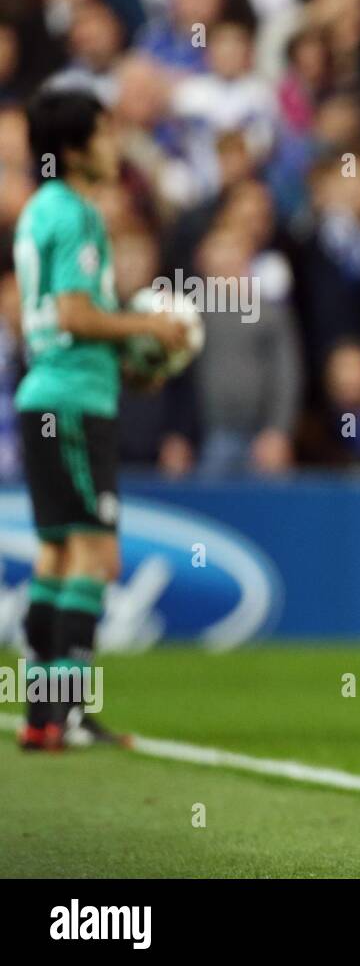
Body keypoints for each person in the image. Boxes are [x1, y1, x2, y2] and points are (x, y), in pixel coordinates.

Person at [14, 88, 186, 750]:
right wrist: (150, 324)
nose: (117, 148)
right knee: (94, 555)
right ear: (77, 148)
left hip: (46, 395)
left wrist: (130, 358)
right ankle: (69, 715)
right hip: (75, 404)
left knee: (57, 552)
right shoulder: (79, 215)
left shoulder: (38, 211)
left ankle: (41, 717)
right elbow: (74, 314)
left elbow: (60, 320)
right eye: (108, 135)